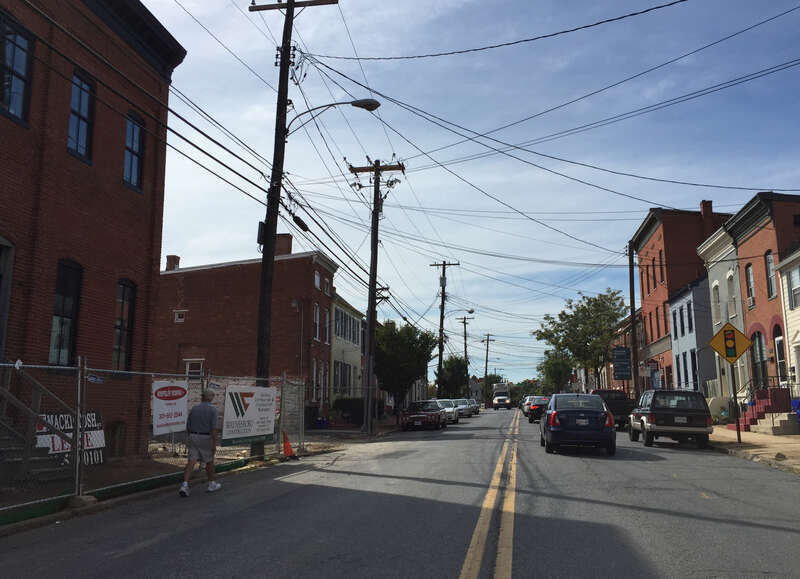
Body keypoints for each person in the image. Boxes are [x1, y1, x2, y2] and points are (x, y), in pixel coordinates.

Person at [179, 389, 221, 496]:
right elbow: (214, 429)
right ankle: (212, 483)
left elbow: (188, 425)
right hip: (205, 438)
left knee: (191, 461)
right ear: (211, 397)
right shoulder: (213, 410)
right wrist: (214, 444)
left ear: (202, 397)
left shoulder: (194, 409)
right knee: (209, 461)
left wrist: (189, 436)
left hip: (193, 436)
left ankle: (184, 485)